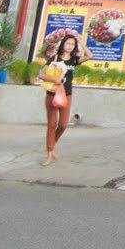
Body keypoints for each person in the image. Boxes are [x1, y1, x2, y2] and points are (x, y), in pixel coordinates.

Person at [38, 33, 80, 165]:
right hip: (52, 93)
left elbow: (90, 56)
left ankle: (52, 144)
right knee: (52, 124)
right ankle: (49, 153)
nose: (70, 46)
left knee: (63, 124)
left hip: (66, 94)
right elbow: (41, 75)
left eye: (73, 44)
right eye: (68, 43)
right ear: (63, 44)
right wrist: (54, 79)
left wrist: (81, 42)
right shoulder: (54, 58)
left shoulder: (74, 60)